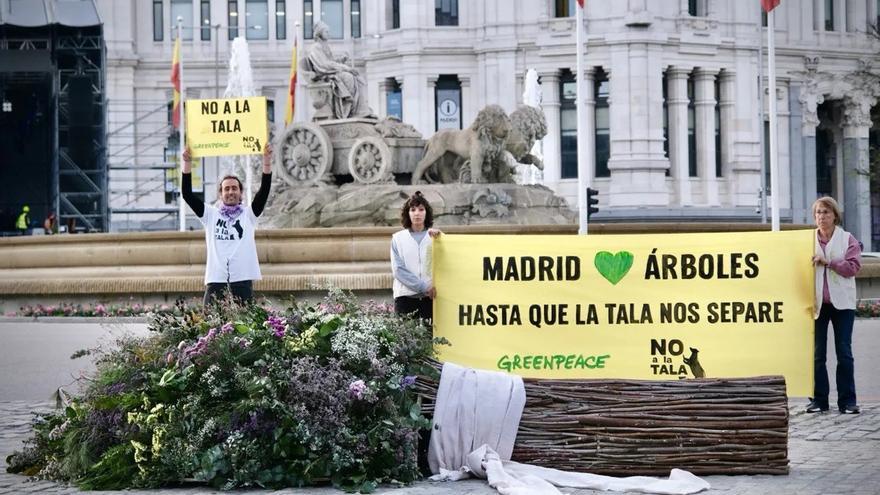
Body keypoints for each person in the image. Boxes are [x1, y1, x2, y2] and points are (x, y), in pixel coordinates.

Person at [182, 146, 272, 306]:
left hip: (242, 277)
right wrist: (187, 163)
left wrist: (266, 161)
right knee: (209, 324)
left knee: (246, 325)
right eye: (227, 189)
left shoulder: (249, 214)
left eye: (234, 188)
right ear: (221, 194)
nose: (231, 192)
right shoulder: (210, 215)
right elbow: (187, 194)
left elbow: (264, 191)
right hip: (216, 277)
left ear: (241, 193)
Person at [807, 196, 861, 414]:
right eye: (818, 212)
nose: (822, 217)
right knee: (817, 354)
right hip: (817, 303)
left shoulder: (847, 238)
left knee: (844, 352)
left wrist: (829, 262)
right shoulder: (808, 239)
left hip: (842, 303)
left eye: (826, 212)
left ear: (835, 216)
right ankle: (819, 400)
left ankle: (847, 401)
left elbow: (853, 267)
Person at [304, 21, 372, 119]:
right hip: (326, 75)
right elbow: (324, 64)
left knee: (357, 78)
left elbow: (330, 61)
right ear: (320, 33)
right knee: (349, 77)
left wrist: (341, 59)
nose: (328, 34)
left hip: (331, 71)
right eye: (326, 32)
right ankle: (348, 110)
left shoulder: (324, 46)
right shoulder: (316, 47)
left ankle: (360, 109)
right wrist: (345, 68)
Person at [391, 191, 440, 321]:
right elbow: (398, 269)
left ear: (426, 213)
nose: (417, 213)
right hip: (405, 298)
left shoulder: (436, 237)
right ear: (408, 213)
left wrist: (441, 239)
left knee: (432, 339)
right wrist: (423, 287)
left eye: (421, 209)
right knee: (406, 340)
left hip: (430, 298)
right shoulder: (398, 238)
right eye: (413, 210)